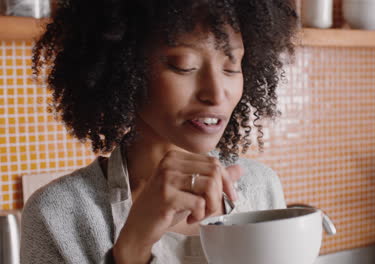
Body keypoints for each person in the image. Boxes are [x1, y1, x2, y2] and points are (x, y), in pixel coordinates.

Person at [21, 0, 298, 263]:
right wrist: (131, 249)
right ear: (124, 69)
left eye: (231, 66)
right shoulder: (57, 214)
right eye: (184, 66)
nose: (215, 94)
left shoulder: (261, 187)